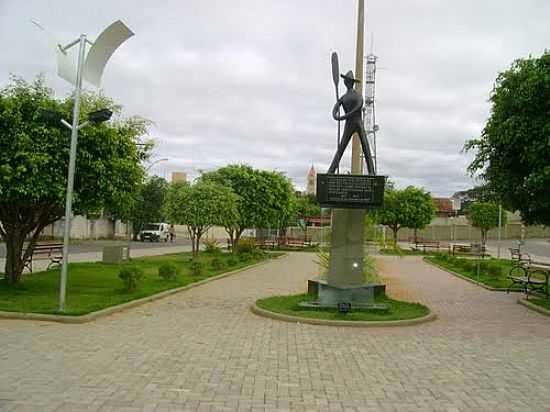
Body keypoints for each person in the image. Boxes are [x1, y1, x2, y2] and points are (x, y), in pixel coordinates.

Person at [327, 70, 375, 175]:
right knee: (343, 147)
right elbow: (334, 112)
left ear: (347, 82)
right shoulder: (345, 98)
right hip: (354, 123)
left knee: (364, 146)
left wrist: (342, 116)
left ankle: (371, 171)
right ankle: (331, 171)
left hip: (356, 122)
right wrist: (338, 117)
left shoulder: (354, 97)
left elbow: (358, 107)